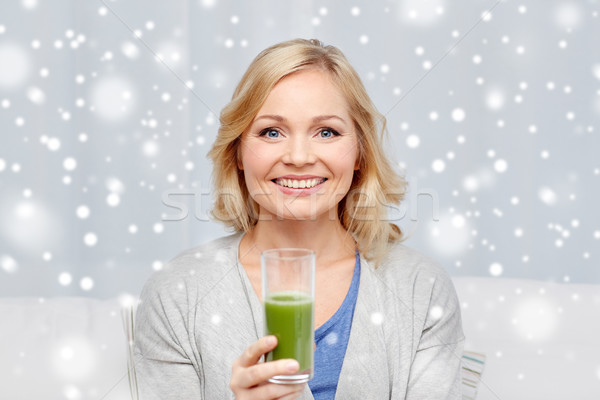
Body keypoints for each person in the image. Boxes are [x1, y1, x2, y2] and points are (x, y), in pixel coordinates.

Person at [134, 38, 464, 400]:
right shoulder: (177, 293)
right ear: (239, 152)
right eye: (271, 132)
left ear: (359, 153)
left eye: (327, 132)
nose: (299, 156)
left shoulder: (421, 287)